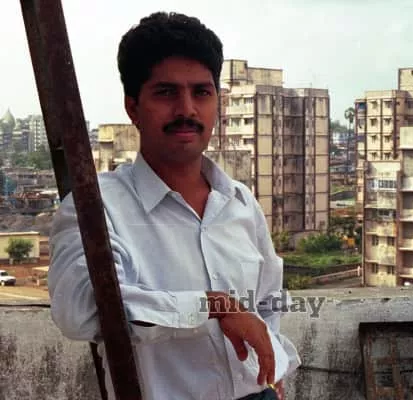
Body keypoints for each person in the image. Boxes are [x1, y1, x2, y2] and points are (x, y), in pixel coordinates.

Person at [48, 11, 300, 400]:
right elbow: (81, 310)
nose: (186, 110)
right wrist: (213, 306)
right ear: (133, 107)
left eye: (201, 92)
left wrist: (272, 359)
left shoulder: (240, 203)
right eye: (166, 93)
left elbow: (268, 300)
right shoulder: (97, 208)